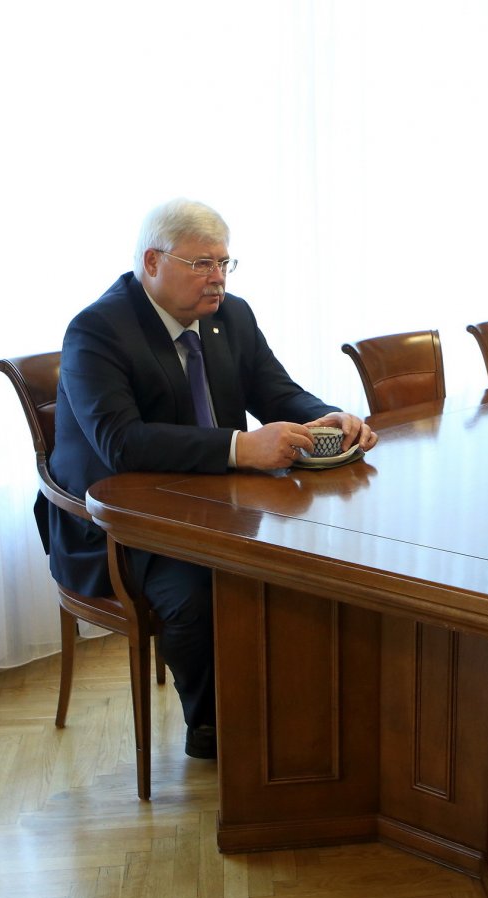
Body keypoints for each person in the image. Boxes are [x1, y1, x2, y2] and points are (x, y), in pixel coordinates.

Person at [42, 198, 378, 760]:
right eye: (201, 264)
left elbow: (275, 391)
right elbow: (120, 443)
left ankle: (295, 706)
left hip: (216, 503)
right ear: (152, 262)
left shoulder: (231, 315)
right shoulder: (98, 330)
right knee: (197, 594)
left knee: (311, 558)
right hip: (119, 525)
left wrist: (328, 416)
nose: (218, 278)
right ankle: (214, 729)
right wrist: (240, 446)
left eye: (224, 263)